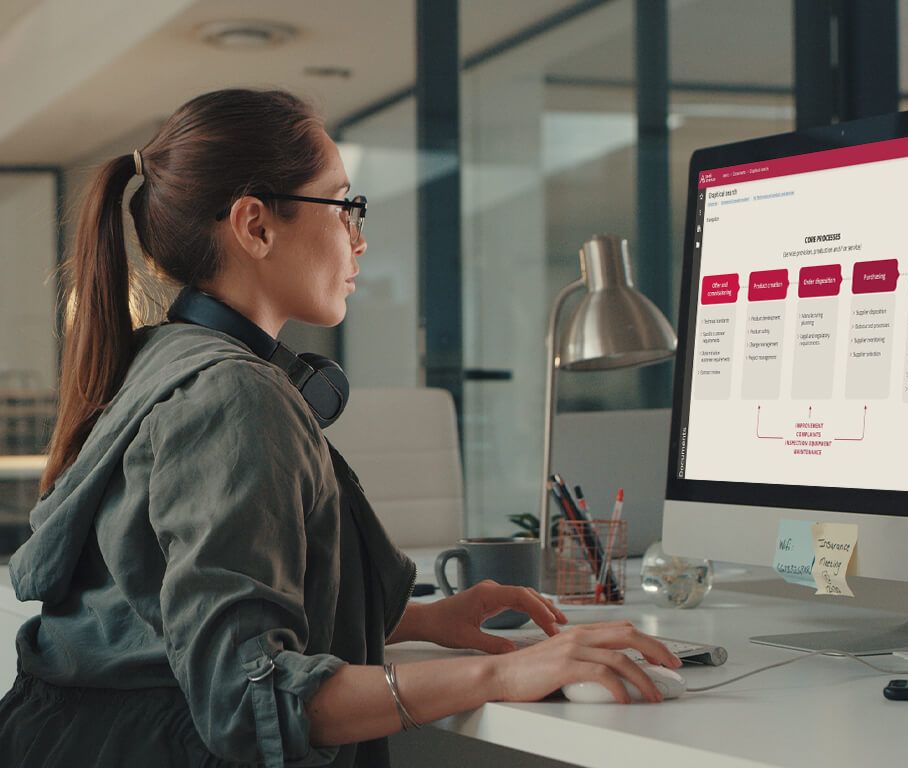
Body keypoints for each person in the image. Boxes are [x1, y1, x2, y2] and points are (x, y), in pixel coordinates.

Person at [0, 89, 680, 768]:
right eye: (343, 205)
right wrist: (501, 674)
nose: (360, 238)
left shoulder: (168, 358)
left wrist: (426, 620)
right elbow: (248, 697)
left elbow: (167, 613)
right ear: (255, 226)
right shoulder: (232, 395)